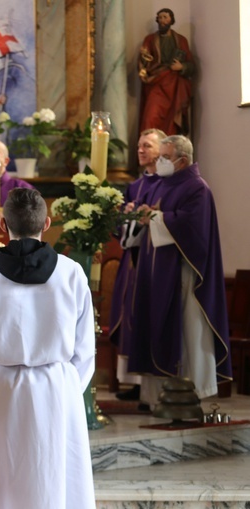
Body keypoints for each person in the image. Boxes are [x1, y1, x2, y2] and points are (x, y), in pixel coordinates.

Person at [0, 187, 95, 508]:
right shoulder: (71, 273)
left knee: (0, 484)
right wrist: (65, 387)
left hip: (0, 388)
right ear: (47, 223)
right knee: (55, 481)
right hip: (57, 387)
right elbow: (85, 348)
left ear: (4, 226)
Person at [127, 135, 231, 407]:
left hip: (183, 273)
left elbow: (192, 227)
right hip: (155, 273)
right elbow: (145, 218)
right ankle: (155, 395)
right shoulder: (160, 184)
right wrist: (139, 216)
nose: (159, 162)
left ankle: (190, 391)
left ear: (182, 160)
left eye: (165, 157)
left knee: (188, 330)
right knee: (156, 326)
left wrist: (155, 218)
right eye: (159, 155)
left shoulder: (198, 188)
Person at [108, 128, 165, 404]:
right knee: (129, 316)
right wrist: (125, 216)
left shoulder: (168, 184)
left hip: (152, 260)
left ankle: (148, 384)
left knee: (144, 315)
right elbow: (120, 224)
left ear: (162, 149)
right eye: (139, 146)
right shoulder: (134, 185)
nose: (141, 150)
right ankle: (131, 380)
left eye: (147, 146)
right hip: (131, 260)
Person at [138, 8, 194, 136]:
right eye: (160, 17)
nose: (162, 20)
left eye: (165, 17)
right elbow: (143, 62)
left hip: (175, 85)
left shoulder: (181, 40)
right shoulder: (150, 39)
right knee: (150, 117)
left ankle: (170, 153)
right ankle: (150, 151)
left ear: (171, 20)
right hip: (156, 84)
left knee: (173, 121)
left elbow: (191, 66)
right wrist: (144, 63)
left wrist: (182, 67)